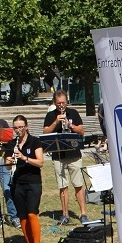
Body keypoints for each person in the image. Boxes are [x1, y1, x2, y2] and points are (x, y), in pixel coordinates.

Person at [43, 90, 89, 225]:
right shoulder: (51, 115)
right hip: (58, 155)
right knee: (63, 185)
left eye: (63, 103)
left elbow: (82, 131)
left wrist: (71, 125)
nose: (61, 105)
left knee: (78, 184)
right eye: (58, 103)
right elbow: (45, 132)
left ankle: (83, 213)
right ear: (54, 103)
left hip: (74, 154)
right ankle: (65, 214)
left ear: (67, 102)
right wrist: (56, 122)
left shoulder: (73, 113)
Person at [8, 115, 44, 243]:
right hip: (18, 182)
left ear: (26, 127)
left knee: (31, 213)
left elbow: (40, 162)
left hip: (33, 182)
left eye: (20, 127)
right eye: (15, 128)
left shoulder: (35, 141)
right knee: (22, 215)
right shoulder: (12, 144)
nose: (18, 130)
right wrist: (10, 161)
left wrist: (24, 158)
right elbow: (6, 166)